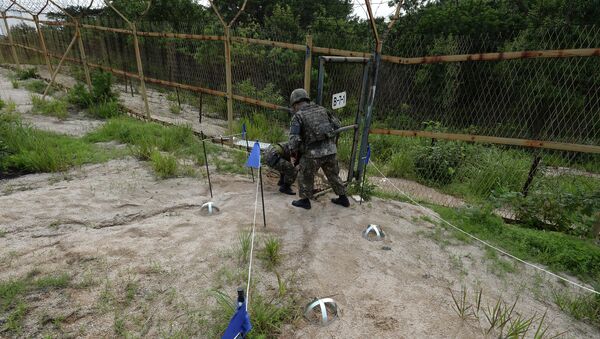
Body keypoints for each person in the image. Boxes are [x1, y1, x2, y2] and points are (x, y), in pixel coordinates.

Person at [287, 88, 350, 210]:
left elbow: (293, 141)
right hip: (331, 150)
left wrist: (294, 153)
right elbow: (337, 124)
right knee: (333, 175)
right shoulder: (322, 110)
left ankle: (305, 201)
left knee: (304, 174)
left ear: (295, 103)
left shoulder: (298, 116)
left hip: (312, 154)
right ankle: (343, 198)